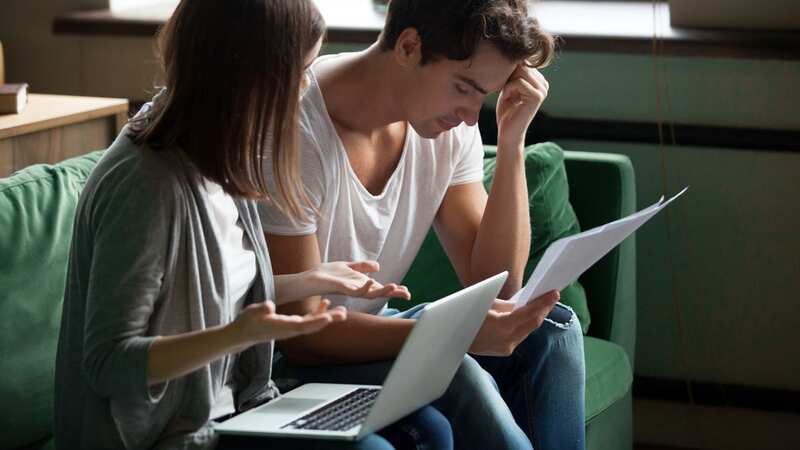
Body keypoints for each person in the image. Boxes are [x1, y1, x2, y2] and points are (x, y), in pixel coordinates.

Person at [53, 0, 454, 449]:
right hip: (168, 435)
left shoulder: (222, 153)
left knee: (432, 430)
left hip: (237, 408)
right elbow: (108, 363)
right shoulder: (148, 185)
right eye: (299, 71)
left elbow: (200, 291)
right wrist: (233, 336)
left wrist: (304, 282)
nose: (307, 87)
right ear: (248, 73)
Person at [259, 1, 586, 449]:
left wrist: (512, 143)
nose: (472, 116)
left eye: (484, 97)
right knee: (461, 370)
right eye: (465, 89)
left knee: (552, 332)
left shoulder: (449, 129)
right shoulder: (297, 129)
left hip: (367, 329)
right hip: (286, 357)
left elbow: (498, 284)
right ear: (409, 47)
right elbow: (303, 335)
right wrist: (445, 337)